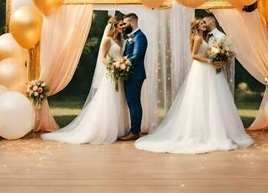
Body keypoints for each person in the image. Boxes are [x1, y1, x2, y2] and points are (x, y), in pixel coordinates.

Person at [134, 17, 253, 154]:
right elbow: (194, 55)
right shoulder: (197, 38)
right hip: (201, 69)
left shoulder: (206, 38)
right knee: (200, 97)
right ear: (197, 26)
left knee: (212, 97)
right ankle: (200, 132)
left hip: (208, 69)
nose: (203, 24)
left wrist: (218, 59)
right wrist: (210, 61)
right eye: (201, 23)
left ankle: (212, 130)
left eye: (204, 22)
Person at [41, 16, 129, 145]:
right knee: (108, 101)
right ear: (114, 26)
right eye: (121, 25)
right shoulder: (107, 40)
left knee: (118, 100)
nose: (123, 27)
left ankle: (117, 129)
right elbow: (103, 58)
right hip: (110, 74)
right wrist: (113, 65)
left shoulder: (120, 40)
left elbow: (120, 55)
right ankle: (102, 129)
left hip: (118, 76)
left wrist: (121, 64)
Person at [118, 13, 148, 141]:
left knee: (134, 102)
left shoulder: (140, 37)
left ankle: (135, 131)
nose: (123, 26)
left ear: (132, 23)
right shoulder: (132, 37)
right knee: (132, 102)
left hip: (135, 75)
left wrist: (121, 63)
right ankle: (135, 129)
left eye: (125, 23)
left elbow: (136, 56)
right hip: (130, 74)